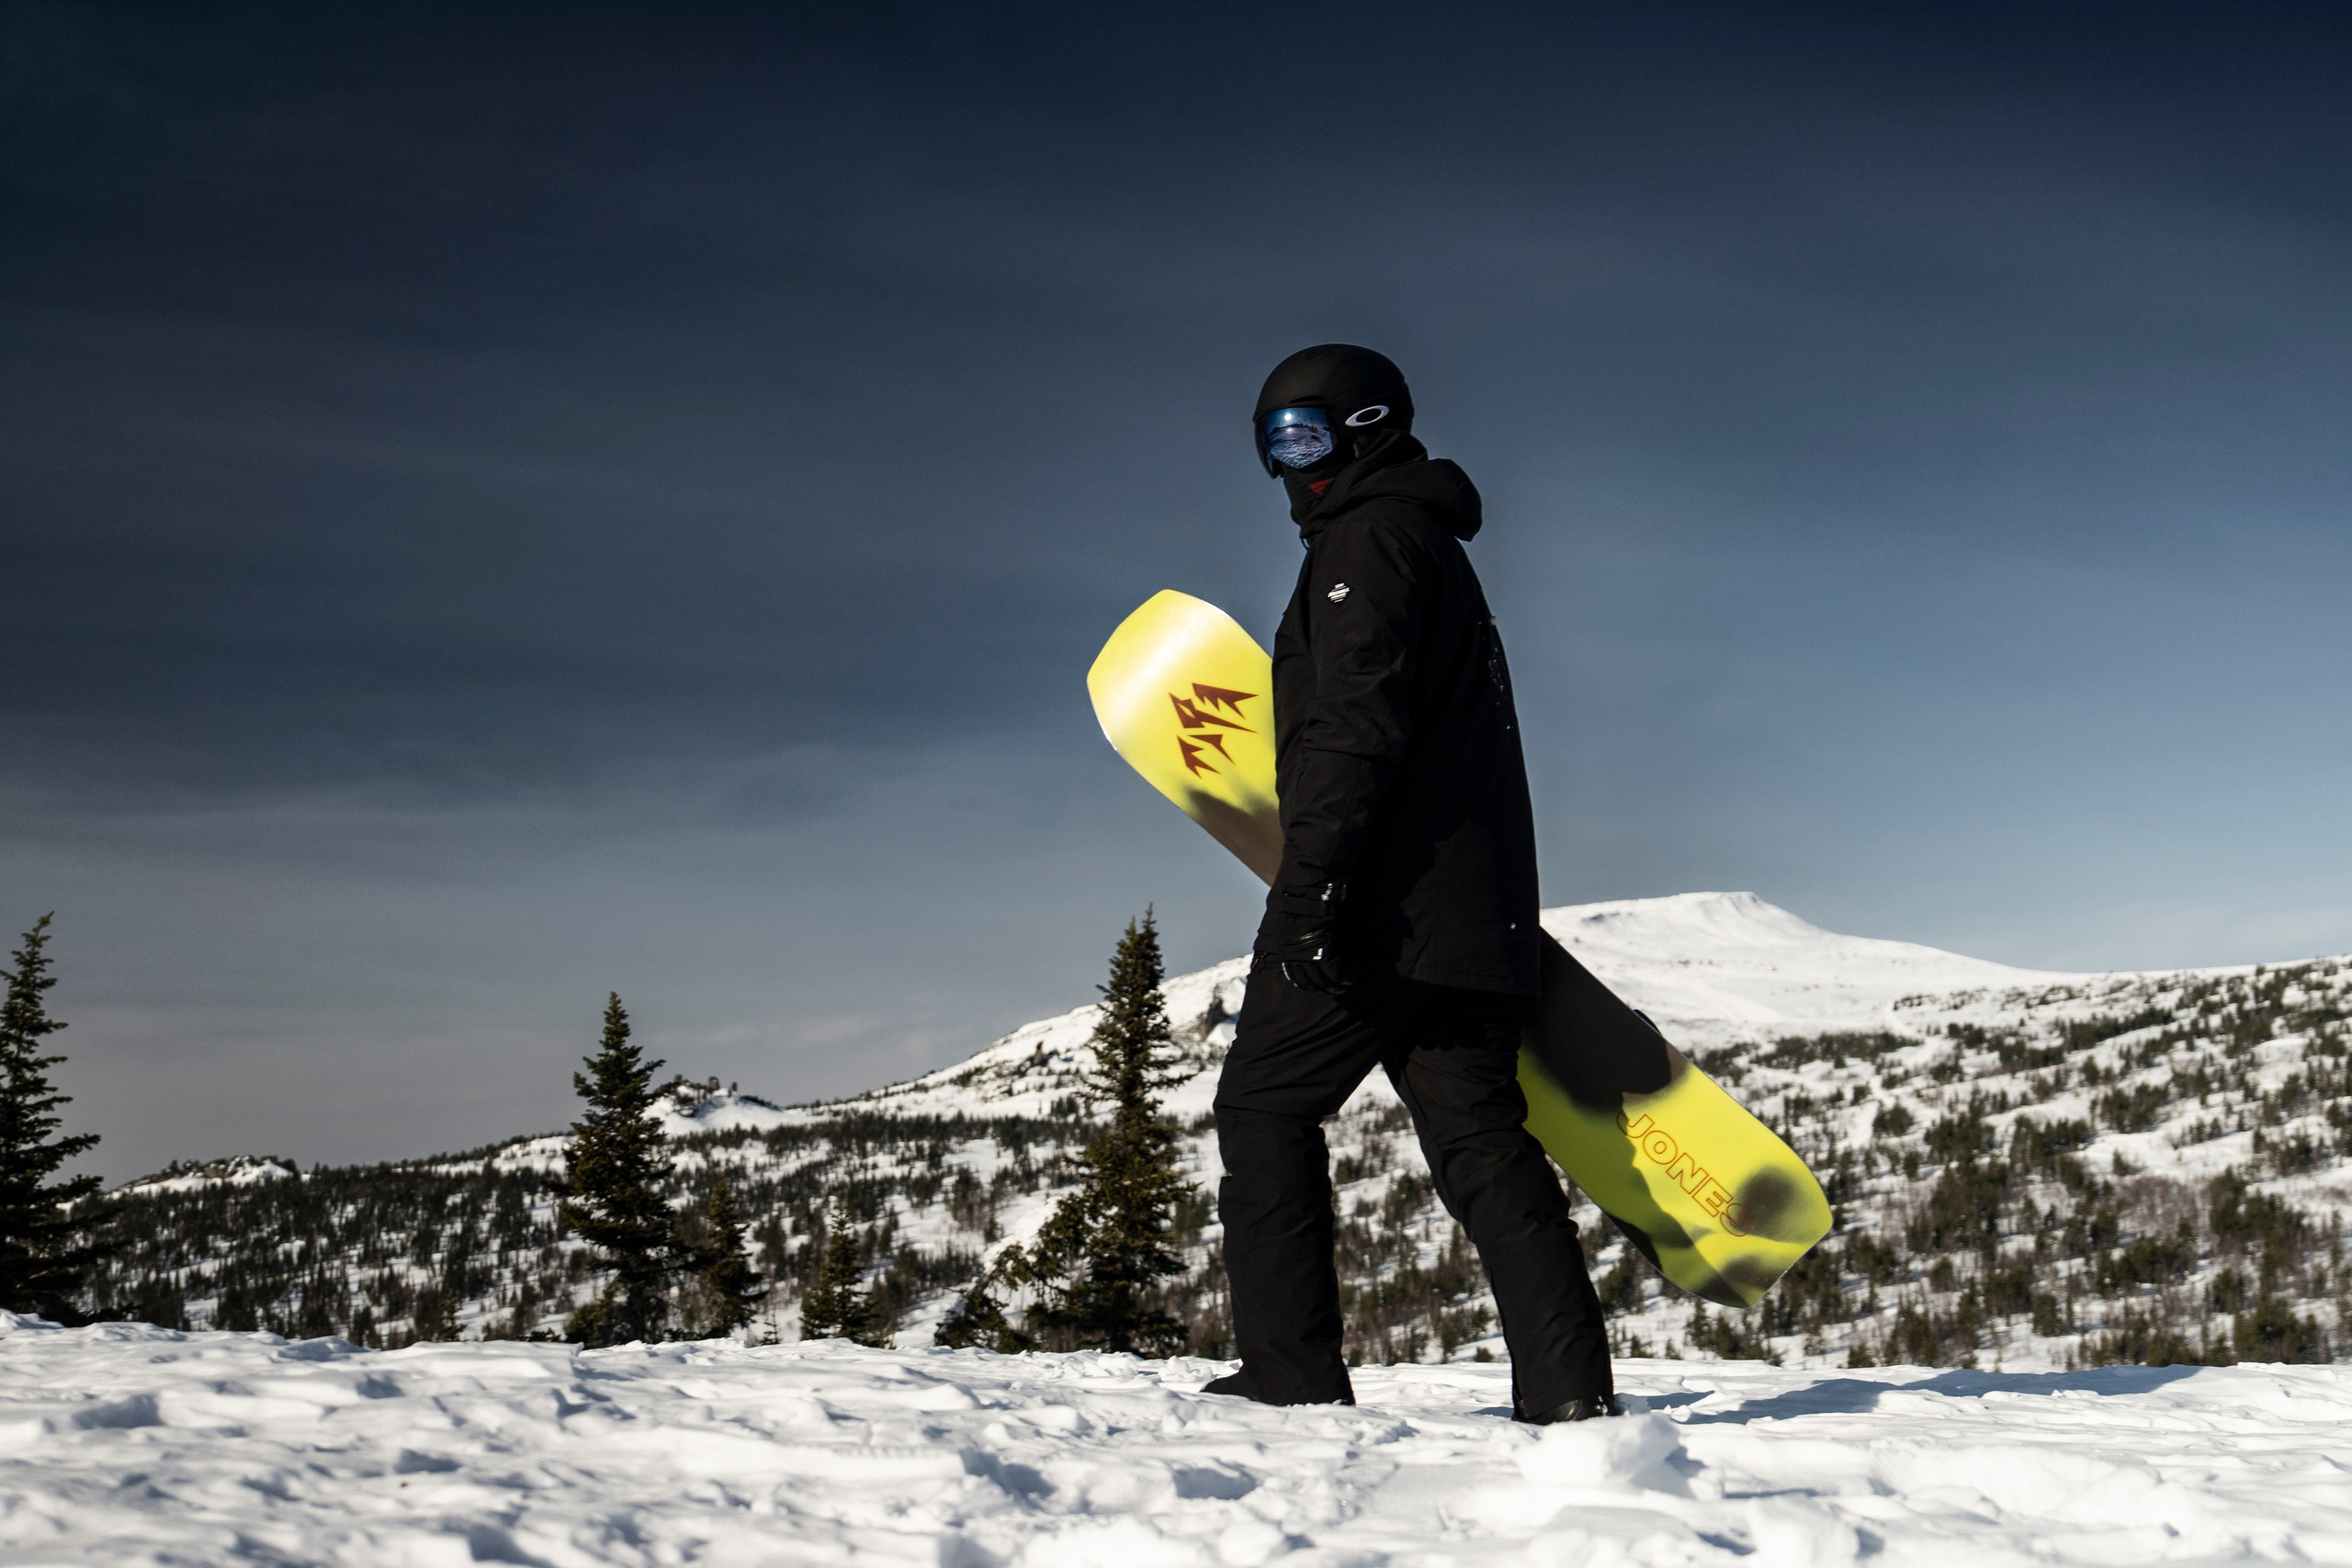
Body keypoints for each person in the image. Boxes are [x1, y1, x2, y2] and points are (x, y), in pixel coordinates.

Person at [1204, 344, 1618, 1423]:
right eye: (1269, 445)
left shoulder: (1370, 542)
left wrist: (1313, 891)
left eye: (1303, 435)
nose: (1288, 466)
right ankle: (1565, 1391)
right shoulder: (1432, 546)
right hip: (1473, 915)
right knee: (1480, 1140)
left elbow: (1355, 726)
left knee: (1259, 1107)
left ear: (1367, 424)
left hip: (1380, 909)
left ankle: (1287, 1373)